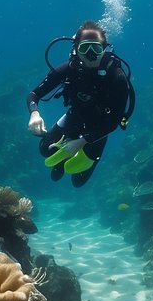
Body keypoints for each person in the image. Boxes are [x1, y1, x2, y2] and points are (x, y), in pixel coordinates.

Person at [26, 20, 134, 187]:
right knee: (44, 149)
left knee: (78, 181)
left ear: (104, 49)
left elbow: (113, 122)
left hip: (100, 127)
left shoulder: (117, 77)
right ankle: (66, 156)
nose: (91, 55)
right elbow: (34, 94)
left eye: (96, 49)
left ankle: (83, 155)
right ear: (76, 49)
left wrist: (82, 142)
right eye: (85, 48)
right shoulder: (69, 69)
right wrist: (34, 113)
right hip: (75, 116)